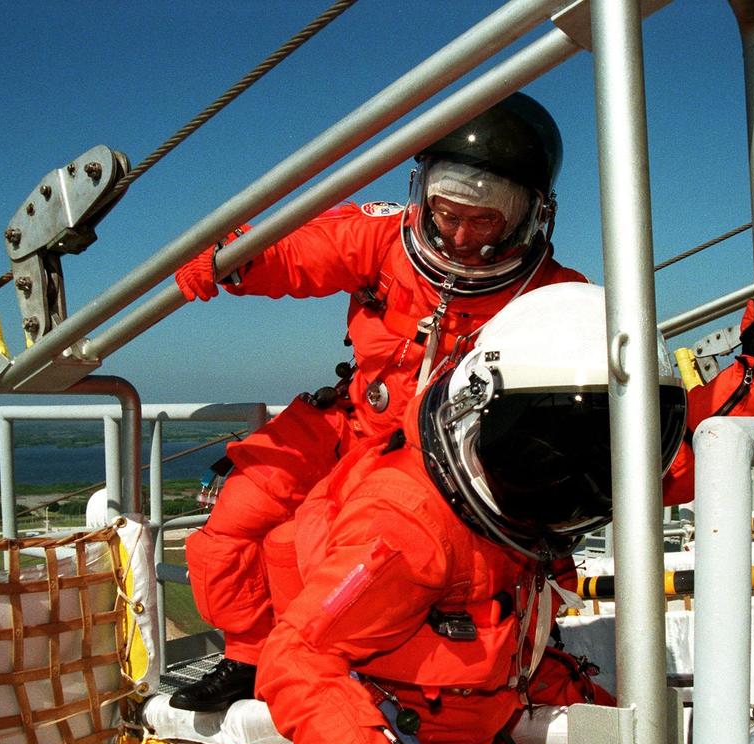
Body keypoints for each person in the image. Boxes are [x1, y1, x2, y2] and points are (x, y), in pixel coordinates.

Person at [170, 93, 587, 711]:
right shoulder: (383, 237)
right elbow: (303, 250)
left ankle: (394, 672)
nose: (460, 233)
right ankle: (249, 654)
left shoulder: (555, 297)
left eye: (485, 222)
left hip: (449, 460)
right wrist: (238, 258)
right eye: (446, 214)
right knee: (235, 520)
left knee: (318, 548)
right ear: (423, 197)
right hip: (355, 419)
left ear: (529, 217)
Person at [255, 283, 682, 744]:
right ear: (476, 415)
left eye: (590, 466)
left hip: (474, 733)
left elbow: (507, 634)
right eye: (542, 462)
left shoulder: (525, 513)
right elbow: (297, 656)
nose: (568, 488)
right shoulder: (408, 530)